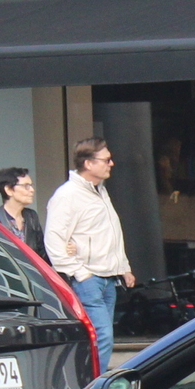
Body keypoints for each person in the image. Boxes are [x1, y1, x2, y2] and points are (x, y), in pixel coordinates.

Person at [45, 138, 134, 364]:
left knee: (102, 337)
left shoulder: (100, 191)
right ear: (88, 163)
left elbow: (111, 232)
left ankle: (91, 384)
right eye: (106, 160)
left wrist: (124, 268)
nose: (111, 163)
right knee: (101, 337)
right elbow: (54, 239)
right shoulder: (67, 195)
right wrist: (79, 273)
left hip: (108, 278)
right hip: (89, 278)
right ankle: (92, 388)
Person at [0, 166, 42, 252]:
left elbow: (42, 253)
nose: (32, 190)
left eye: (31, 185)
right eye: (26, 186)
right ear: (9, 190)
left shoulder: (31, 217)